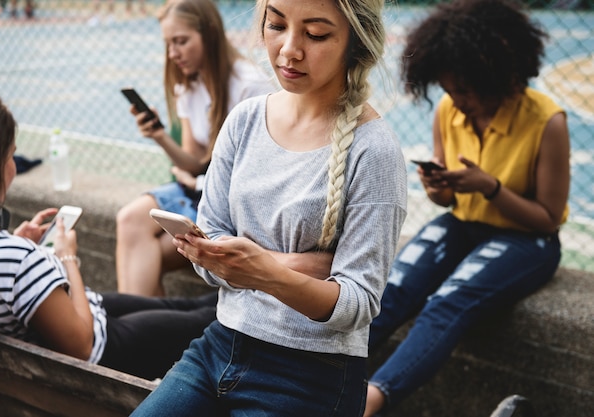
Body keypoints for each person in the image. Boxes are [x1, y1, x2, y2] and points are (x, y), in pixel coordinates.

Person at [130, 0, 407, 415]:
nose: (289, 49)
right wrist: (293, 265)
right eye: (276, 25)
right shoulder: (243, 121)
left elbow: (358, 303)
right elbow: (209, 247)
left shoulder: (375, 151)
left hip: (311, 373)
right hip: (220, 342)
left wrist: (267, 274)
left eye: (315, 34)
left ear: (356, 42)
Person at [363, 0, 571, 415]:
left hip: (529, 240)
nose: (456, 101)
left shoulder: (547, 121)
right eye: (448, 90)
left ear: (500, 75)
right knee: (392, 290)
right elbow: (448, 201)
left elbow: (547, 218)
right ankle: (312, 367)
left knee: (448, 302)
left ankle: (370, 401)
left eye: (466, 91)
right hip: (463, 223)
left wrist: (490, 188)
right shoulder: (448, 111)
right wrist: (437, 185)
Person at [0, 90, 218, 381]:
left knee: (190, 306)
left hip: (53, 354)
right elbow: (82, 347)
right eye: (11, 155)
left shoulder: (3, 253)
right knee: (210, 318)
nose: (13, 164)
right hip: (106, 351)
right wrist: (66, 257)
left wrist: (20, 245)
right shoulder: (15, 260)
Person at [115, 0, 275, 296]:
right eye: (168, 44)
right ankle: (138, 331)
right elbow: (192, 160)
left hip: (228, 203)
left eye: (181, 41)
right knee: (129, 219)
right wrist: (160, 136)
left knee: (145, 252)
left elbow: (257, 175)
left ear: (210, 34)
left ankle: (134, 332)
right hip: (197, 189)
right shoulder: (188, 84)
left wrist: (199, 179)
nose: (173, 53)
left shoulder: (249, 87)